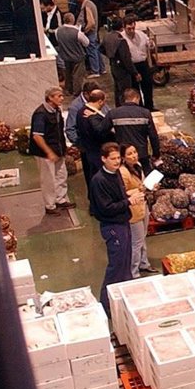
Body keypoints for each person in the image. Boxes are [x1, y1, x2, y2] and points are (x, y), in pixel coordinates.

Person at [89, 142, 139, 311]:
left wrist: (131, 195)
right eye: (113, 159)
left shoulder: (116, 173)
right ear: (103, 159)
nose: (117, 161)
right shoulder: (99, 181)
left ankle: (125, 296)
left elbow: (118, 196)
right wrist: (128, 202)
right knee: (116, 265)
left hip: (123, 222)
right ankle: (106, 304)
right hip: (112, 226)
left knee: (126, 262)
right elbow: (106, 208)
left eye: (118, 158)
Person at [29, 87, 74, 216]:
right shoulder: (41, 114)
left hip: (58, 150)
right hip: (45, 154)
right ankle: (50, 205)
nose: (62, 98)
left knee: (61, 175)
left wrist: (63, 148)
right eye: (59, 96)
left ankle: (60, 199)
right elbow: (37, 136)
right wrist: (48, 152)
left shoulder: (57, 111)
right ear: (50, 98)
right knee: (48, 179)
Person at [119, 143, 154, 278]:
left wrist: (150, 186)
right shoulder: (123, 172)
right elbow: (123, 192)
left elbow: (143, 184)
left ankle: (143, 263)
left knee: (142, 237)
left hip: (142, 205)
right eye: (129, 154)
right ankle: (133, 272)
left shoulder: (137, 166)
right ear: (123, 157)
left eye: (134, 152)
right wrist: (140, 189)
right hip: (132, 210)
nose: (134, 156)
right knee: (137, 241)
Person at [108, 88, 159, 164]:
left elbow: (102, 130)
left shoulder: (113, 113)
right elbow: (153, 136)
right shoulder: (145, 113)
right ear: (137, 98)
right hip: (141, 154)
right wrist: (156, 154)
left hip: (123, 154)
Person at [75, 90, 113, 191]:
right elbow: (100, 133)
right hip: (96, 153)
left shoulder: (81, 112)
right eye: (104, 101)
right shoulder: (90, 115)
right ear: (100, 101)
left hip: (89, 151)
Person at [103, 18, 138, 107]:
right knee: (125, 92)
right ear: (122, 27)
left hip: (113, 66)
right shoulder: (120, 40)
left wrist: (110, 56)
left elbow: (100, 48)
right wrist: (134, 72)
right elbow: (126, 59)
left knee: (117, 90)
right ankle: (125, 110)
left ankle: (118, 108)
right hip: (122, 69)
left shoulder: (107, 36)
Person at [121, 17, 154, 110]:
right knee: (135, 89)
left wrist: (151, 44)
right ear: (124, 27)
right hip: (131, 66)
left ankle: (149, 107)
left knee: (147, 86)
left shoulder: (141, 34)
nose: (131, 31)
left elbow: (149, 44)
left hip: (143, 64)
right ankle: (138, 108)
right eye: (129, 29)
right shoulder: (121, 38)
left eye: (133, 28)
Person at [53, 12, 89, 95]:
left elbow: (59, 41)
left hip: (65, 56)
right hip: (77, 56)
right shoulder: (77, 32)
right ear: (73, 20)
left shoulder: (58, 31)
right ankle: (77, 92)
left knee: (68, 74)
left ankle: (68, 90)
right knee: (77, 76)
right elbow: (87, 43)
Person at [76, 0, 103, 74]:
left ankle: (95, 71)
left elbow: (91, 22)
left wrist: (84, 32)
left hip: (90, 33)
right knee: (95, 50)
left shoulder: (87, 5)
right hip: (93, 32)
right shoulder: (90, 4)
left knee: (92, 51)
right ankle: (101, 68)